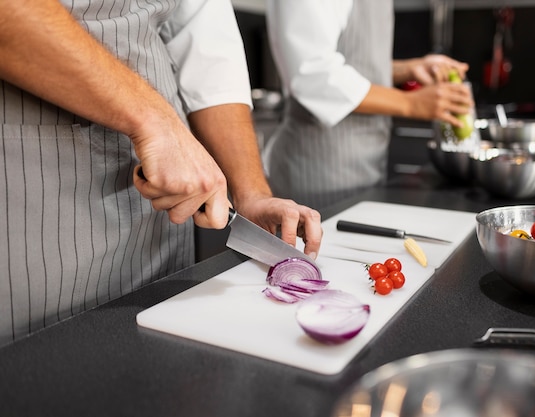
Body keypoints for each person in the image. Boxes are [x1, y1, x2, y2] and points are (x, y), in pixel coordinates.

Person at [0, 0, 322, 347]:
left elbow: (206, 39)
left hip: (163, 217)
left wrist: (251, 192)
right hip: (37, 192)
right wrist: (155, 121)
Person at [263, 0, 473, 209]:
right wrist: (411, 103)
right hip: (316, 174)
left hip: (367, 170)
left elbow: (354, 63)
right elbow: (312, 73)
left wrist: (408, 69)